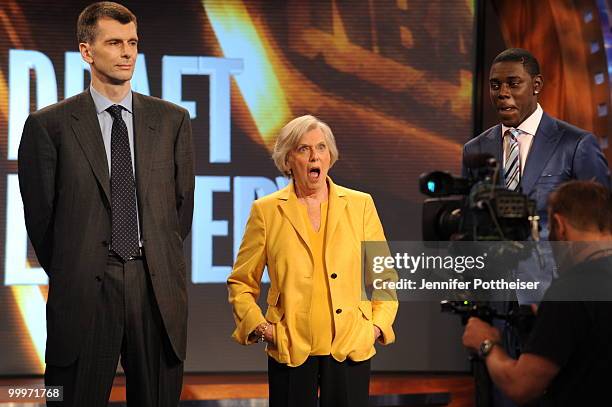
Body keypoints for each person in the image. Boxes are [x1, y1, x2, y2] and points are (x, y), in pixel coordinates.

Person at [17, 2, 194, 406]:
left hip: (155, 290)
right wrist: (80, 265)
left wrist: (152, 260)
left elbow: (179, 212)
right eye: (114, 42)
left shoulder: (172, 121)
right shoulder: (49, 126)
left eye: (132, 42)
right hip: (85, 293)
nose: (127, 52)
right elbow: (42, 221)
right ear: (86, 51)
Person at [227, 115, 398, 407]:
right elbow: (241, 283)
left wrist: (376, 327)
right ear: (287, 160)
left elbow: (384, 277)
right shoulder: (266, 211)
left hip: (350, 346)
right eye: (303, 149)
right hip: (291, 346)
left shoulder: (360, 205)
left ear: (330, 156)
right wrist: (263, 328)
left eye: (321, 147)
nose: (314, 156)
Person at [462, 180, 612, 406]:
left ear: (559, 225)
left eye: (549, 230)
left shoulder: (571, 289)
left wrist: (486, 344)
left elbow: (520, 385)